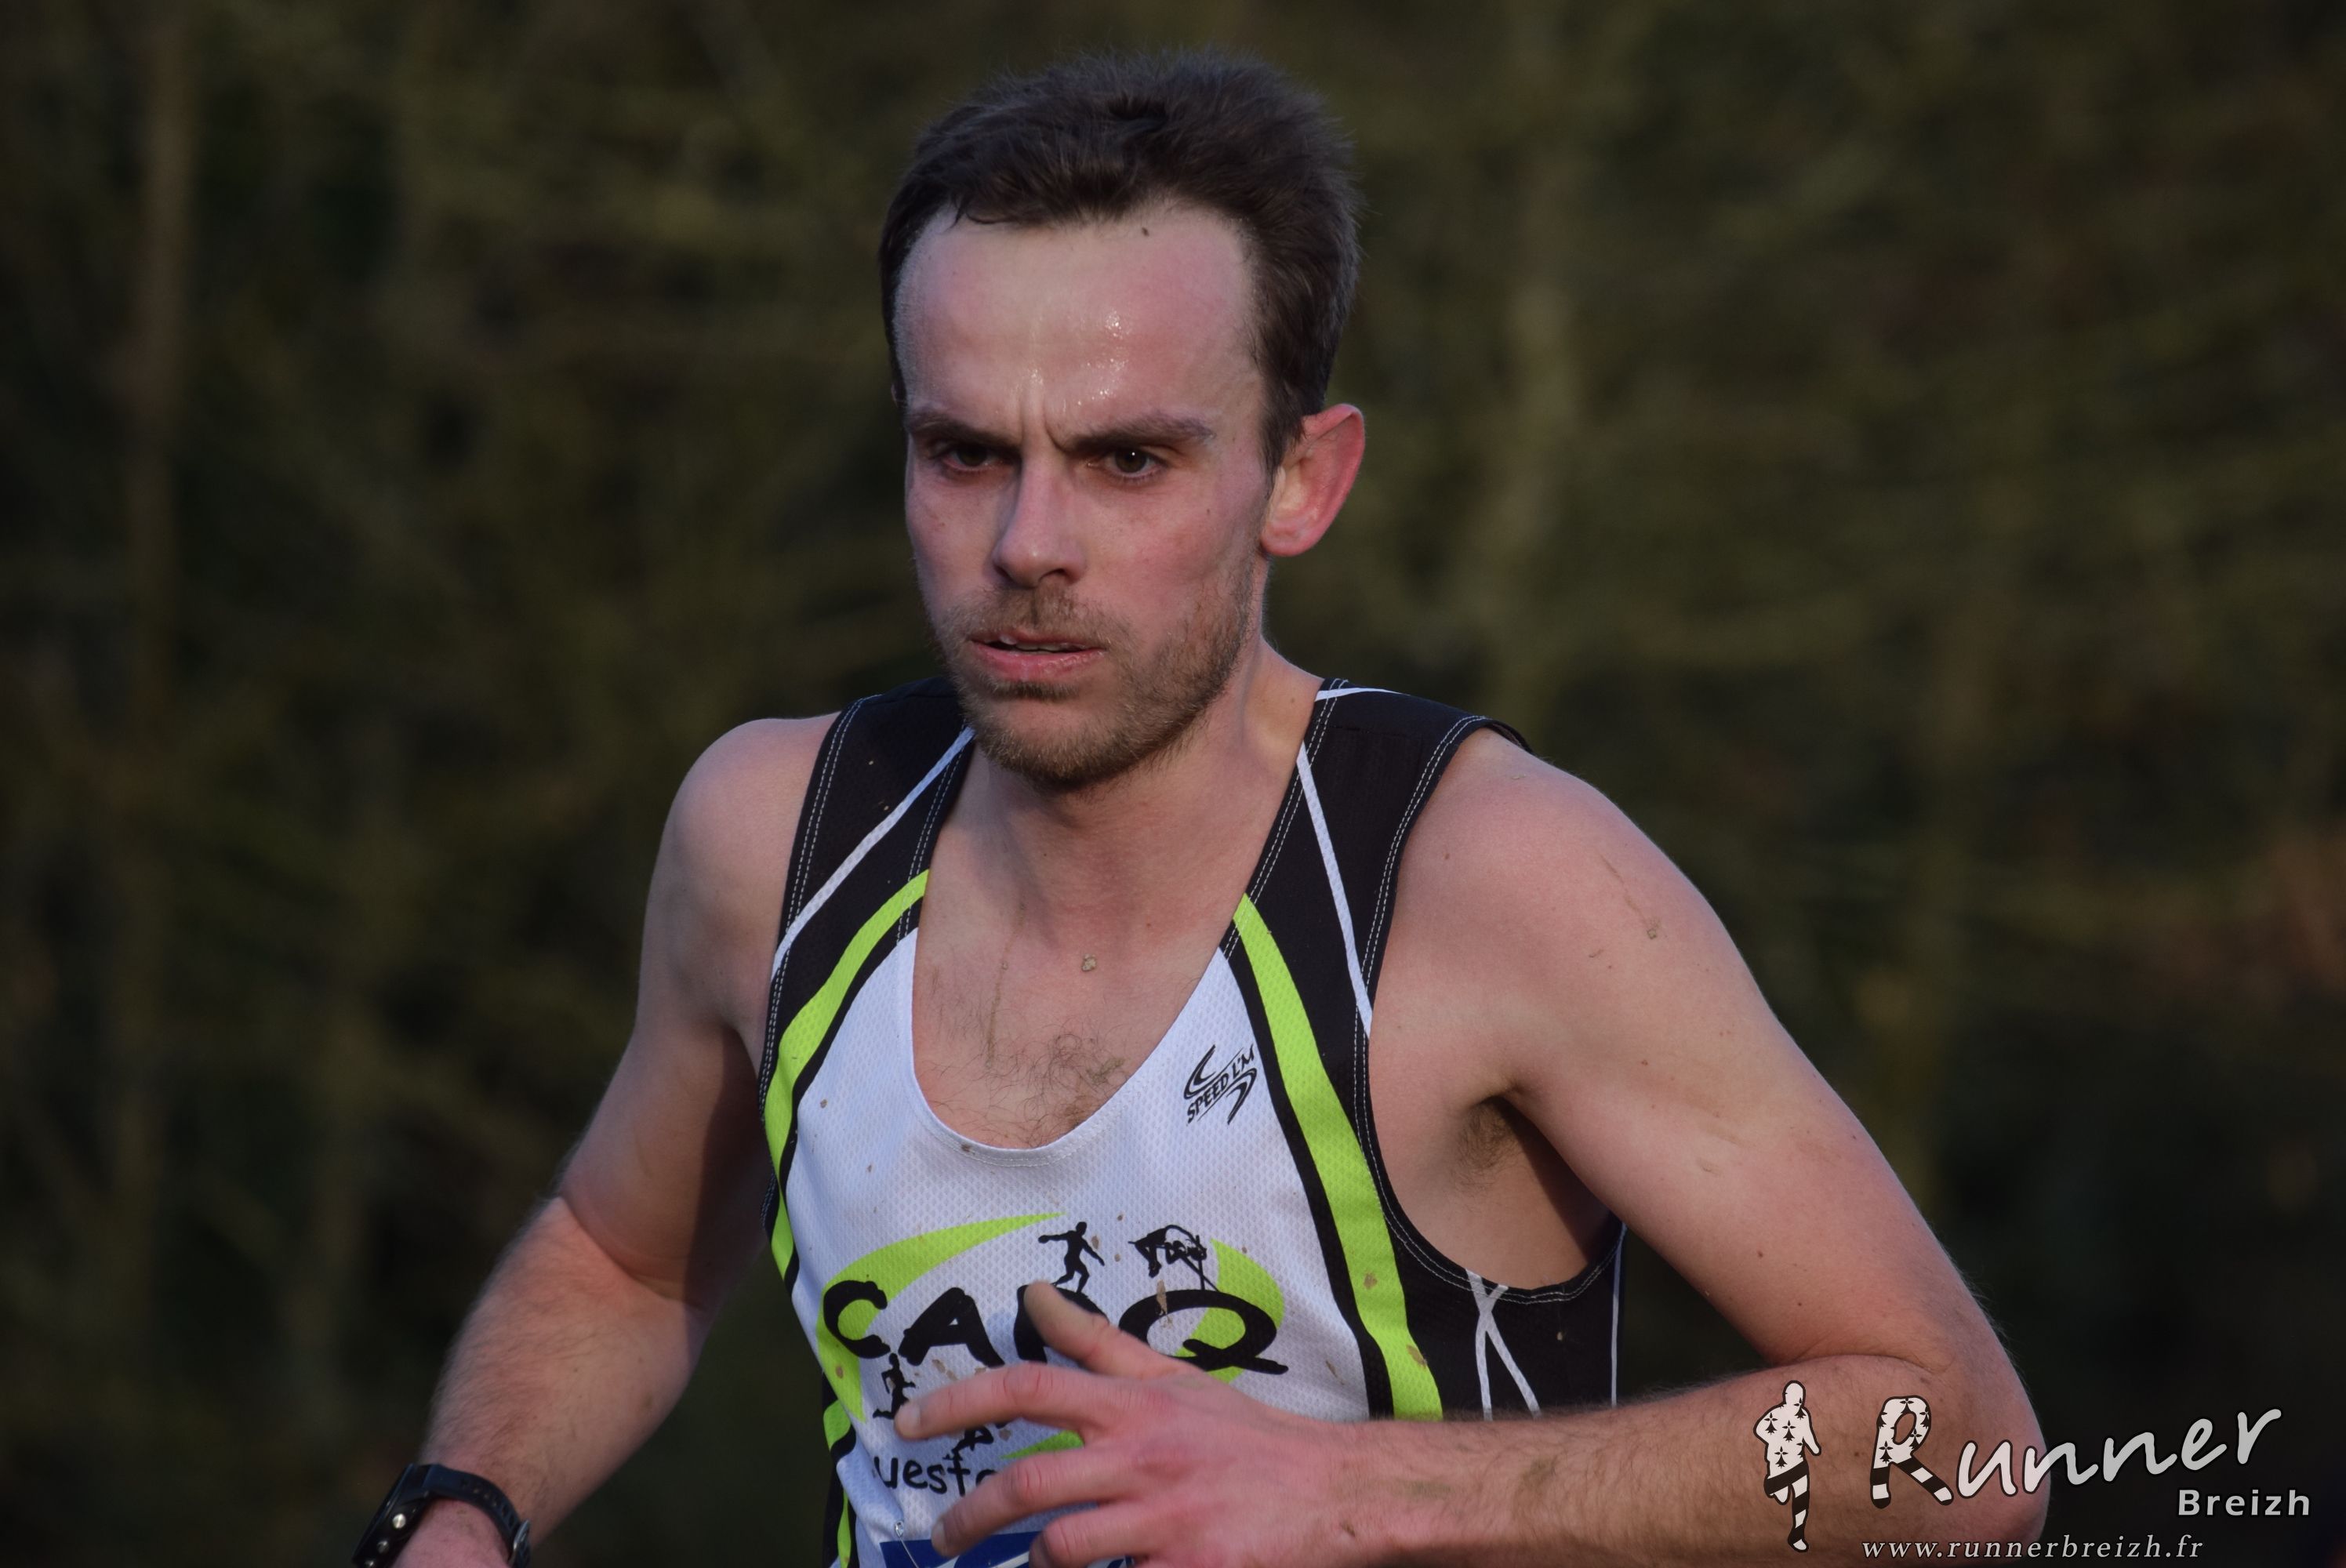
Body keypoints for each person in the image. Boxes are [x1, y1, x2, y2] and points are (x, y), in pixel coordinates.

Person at [368, 49, 2046, 1568]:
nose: (1028, 545)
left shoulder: (1493, 880)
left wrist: (1348, 1493)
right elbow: (619, 1253)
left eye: (1126, 461)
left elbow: (1963, 1450)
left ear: (1302, 478)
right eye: (966, 453)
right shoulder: (774, 841)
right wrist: (458, 1510)